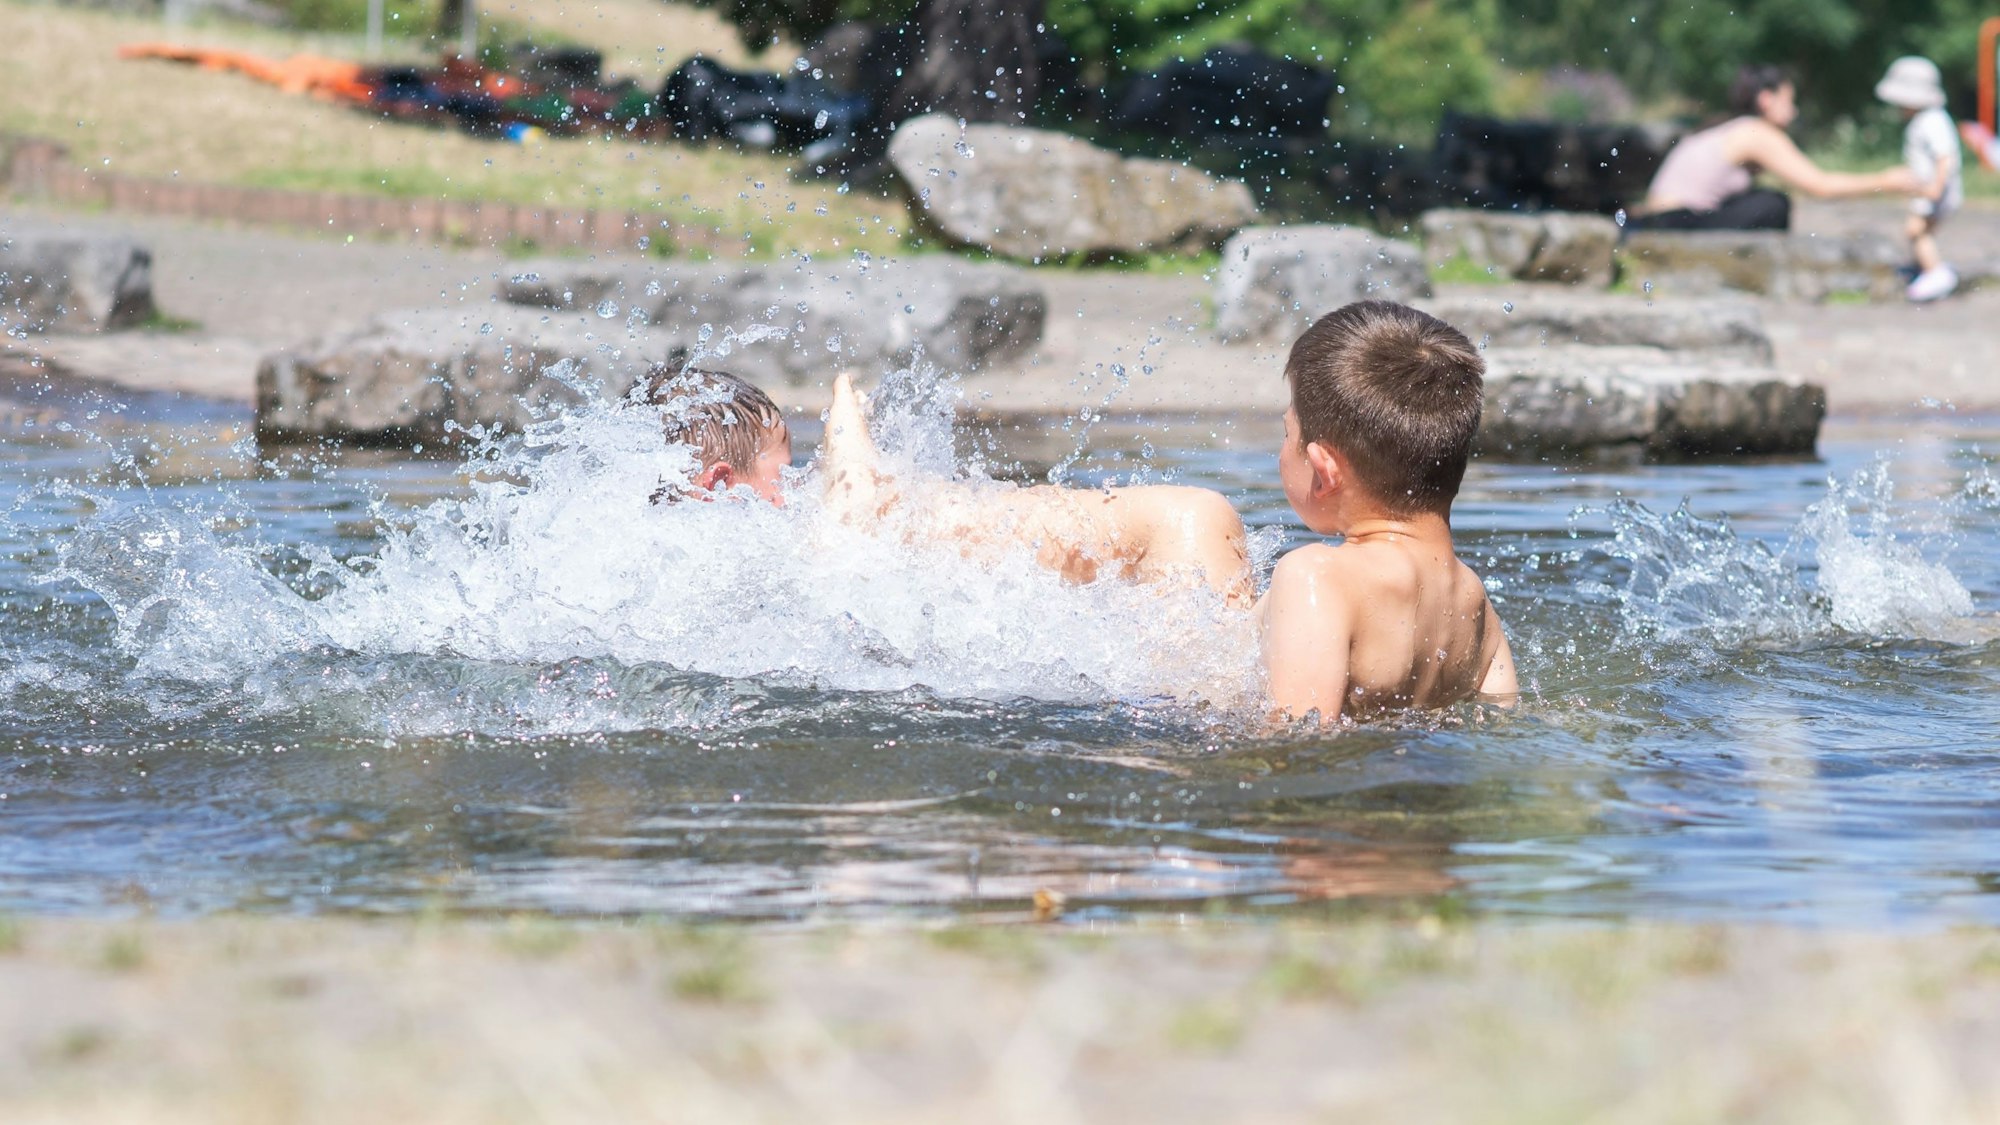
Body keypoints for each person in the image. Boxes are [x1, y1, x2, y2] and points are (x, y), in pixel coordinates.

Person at [814, 301, 1517, 722]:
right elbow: (1498, 719)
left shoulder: (1317, 579)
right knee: (1199, 519)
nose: (1282, 449)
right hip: (1213, 705)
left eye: (1287, 433)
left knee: (1185, 516)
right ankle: (892, 509)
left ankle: (883, 512)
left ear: (1324, 470)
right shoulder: (1474, 603)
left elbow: (1294, 750)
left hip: (1175, 720)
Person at [1628, 64, 1918, 231]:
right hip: (1677, 222)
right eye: (1789, 101)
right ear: (1767, 99)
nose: (1793, 111)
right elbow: (1820, 185)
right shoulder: (1757, 133)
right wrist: (1885, 181)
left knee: (1759, 197)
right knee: (1773, 204)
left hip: (1662, 220)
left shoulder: (1730, 126)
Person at [1876, 56, 1963, 302]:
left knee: (1915, 231)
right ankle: (1922, 267)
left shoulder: (1932, 121)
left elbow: (1945, 157)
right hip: (1930, 190)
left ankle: (1935, 272)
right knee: (1925, 231)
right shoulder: (1927, 120)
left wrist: (1936, 187)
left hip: (1934, 191)